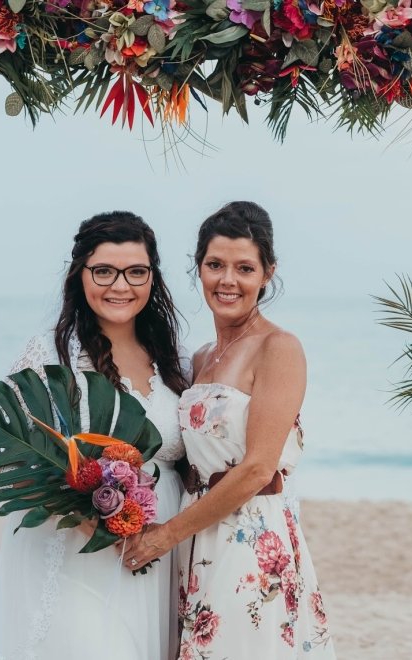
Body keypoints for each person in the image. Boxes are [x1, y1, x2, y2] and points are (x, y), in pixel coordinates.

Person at [0, 211, 188, 660]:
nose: (121, 285)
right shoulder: (50, 353)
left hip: (159, 553)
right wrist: (88, 515)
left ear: (153, 278)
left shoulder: (173, 357)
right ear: (79, 274)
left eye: (136, 272)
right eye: (104, 271)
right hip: (75, 552)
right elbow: (5, 452)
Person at [123, 201, 336, 658]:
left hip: (250, 533)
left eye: (244, 268)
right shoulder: (200, 357)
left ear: (267, 273)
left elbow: (259, 466)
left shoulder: (279, 348)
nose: (227, 280)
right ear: (198, 268)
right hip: (198, 531)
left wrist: (166, 535)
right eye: (215, 265)